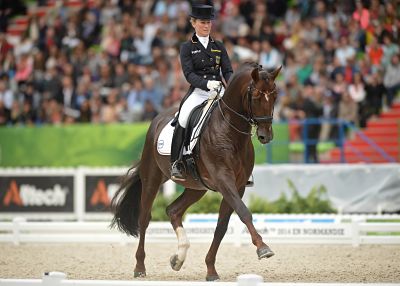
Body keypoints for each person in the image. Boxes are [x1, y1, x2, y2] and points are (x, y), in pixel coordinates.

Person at [170, 4, 233, 181]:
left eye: (208, 23)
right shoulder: (187, 47)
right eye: (202, 22)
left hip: (219, 91)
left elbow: (227, 70)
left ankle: (243, 164)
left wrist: (230, 84)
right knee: (183, 117)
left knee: (237, 115)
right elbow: (189, 74)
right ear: (194, 23)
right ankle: (176, 162)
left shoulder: (218, 46)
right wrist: (207, 84)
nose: (206, 26)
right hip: (199, 91)